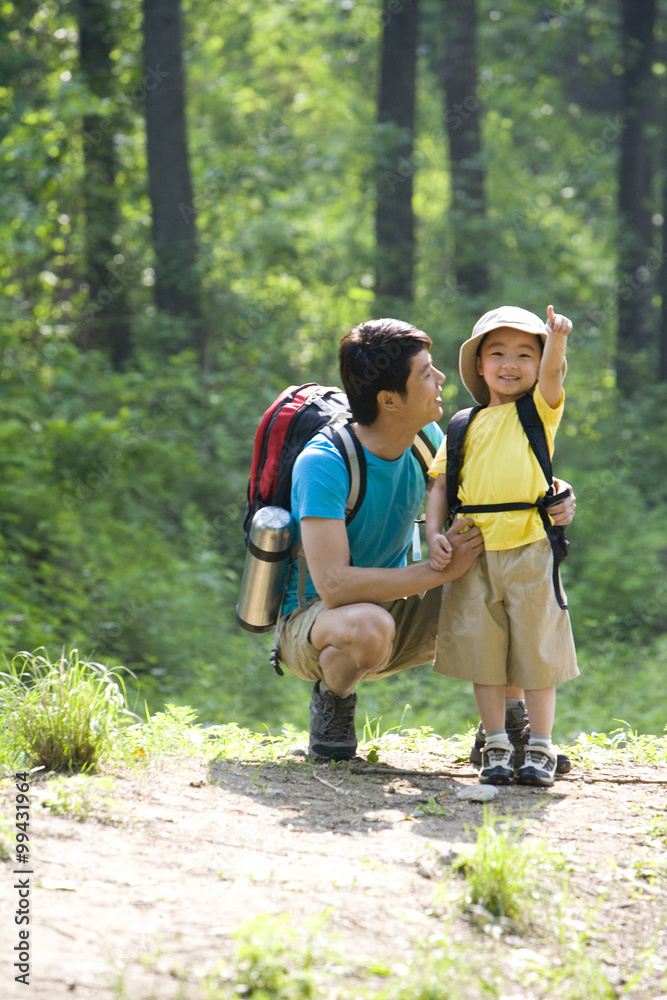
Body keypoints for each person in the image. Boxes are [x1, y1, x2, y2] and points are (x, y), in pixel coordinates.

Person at [273, 317, 576, 763]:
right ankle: (334, 702)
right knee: (367, 626)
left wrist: (554, 495)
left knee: (506, 583)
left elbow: (493, 485)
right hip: (323, 621)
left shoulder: (429, 439)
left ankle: (507, 728)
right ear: (389, 399)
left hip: (400, 599)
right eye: (426, 372)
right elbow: (334, 586)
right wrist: (437, 571)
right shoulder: (324, 463)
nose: (441, 379)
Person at [425, 305, 578, 787]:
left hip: (531, 545)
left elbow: (554, 371)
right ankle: (495, 743)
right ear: (480, 365)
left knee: (536, 650)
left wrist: (556, 338)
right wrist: (434, 535)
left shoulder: (537, 411)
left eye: (524, 354)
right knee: (481, 650)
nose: (510, 363)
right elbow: (440, 487)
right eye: (498, 353)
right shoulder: (463, 425)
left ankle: (539, 747)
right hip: (473, 550)